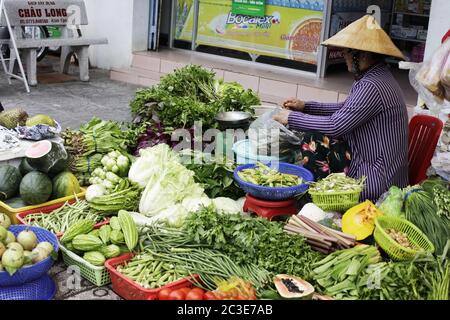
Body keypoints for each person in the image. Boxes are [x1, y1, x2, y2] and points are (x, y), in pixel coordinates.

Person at [273, 15, 409, 201]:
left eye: (346, 52)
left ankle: (312, 201)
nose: (344, 56)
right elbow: (345, 109)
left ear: (362, 54)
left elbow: (337, 124)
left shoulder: (372, 86)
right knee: (319, 137)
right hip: (374, 164)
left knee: (312, 139)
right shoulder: (374, 77)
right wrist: (305, 106)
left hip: (377, 179)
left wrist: (291, 118)